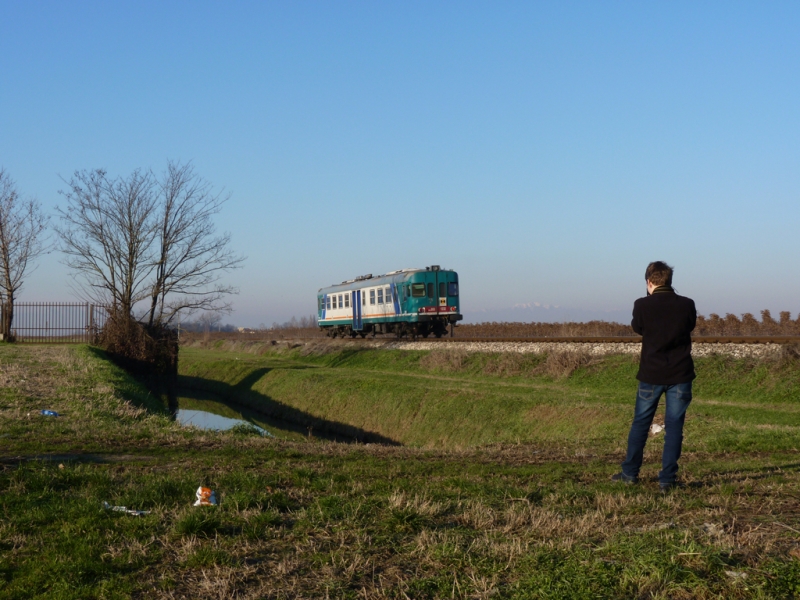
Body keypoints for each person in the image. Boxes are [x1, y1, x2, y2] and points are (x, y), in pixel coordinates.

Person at [612, 261, 697, 491]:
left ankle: (630, 473)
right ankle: (667, 480)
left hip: (651, 374)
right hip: (680, 374)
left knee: (641, 423)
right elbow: (689, 326)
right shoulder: (687, 304)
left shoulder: (641, 305)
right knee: (674, 426)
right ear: (669, 281)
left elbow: (638, 328)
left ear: (649, 282)